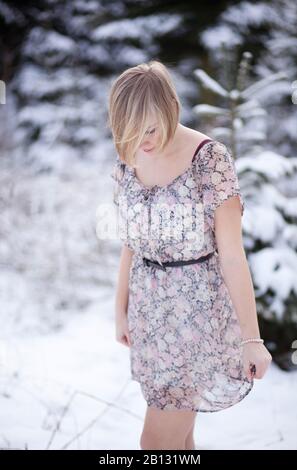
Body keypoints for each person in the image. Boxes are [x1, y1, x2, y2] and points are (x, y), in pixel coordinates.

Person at [107, 60, 272, 450]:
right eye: (131, 131)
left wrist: (252, 338)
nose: (142, 141)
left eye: (150, 128)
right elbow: (130, 240)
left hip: (195, 316)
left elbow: (233, 255)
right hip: (149, 314)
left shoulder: (208, 161)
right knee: (179, 442)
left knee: (155, 445)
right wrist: (121, 309)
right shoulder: (130, 157)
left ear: (170, 108)